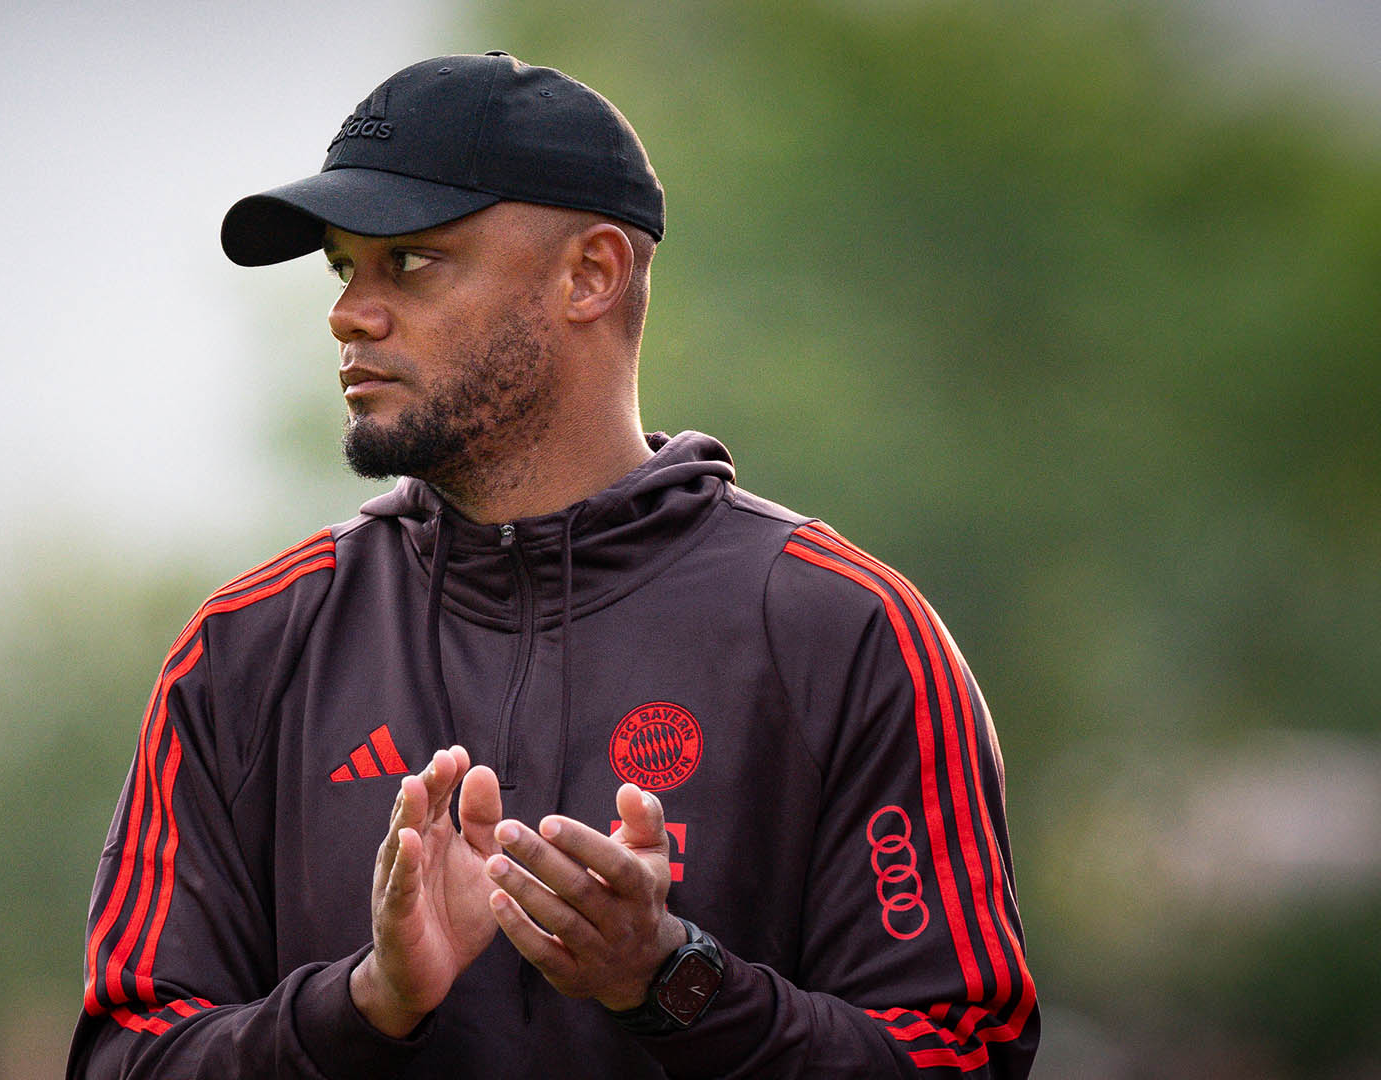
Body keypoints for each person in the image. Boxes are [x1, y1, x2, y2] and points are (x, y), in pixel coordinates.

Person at [67, 51, 1037, 1079]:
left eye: (411, 261)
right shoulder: (246, 651)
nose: (350, 312)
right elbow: (126, 1058)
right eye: (345, 267)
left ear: (591, 275)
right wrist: (366, 1005)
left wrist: (672, 981)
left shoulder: (846, 631)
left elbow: (959, 1058)